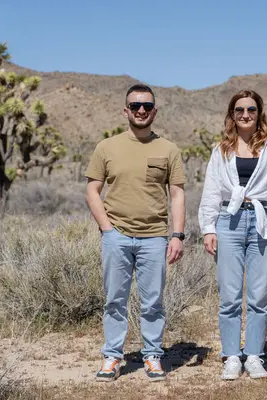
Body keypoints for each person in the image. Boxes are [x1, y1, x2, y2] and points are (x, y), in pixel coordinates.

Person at [85, 84, 186, 382]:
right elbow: (92, 189)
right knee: (114, 299)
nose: (141, 110)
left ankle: (152, 356)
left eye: (146, 105)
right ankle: (113, 357)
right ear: (125, 110)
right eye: (135, 105)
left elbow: (177, 194)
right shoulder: (107, 147)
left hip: (155, 237)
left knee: (153, 300)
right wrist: (107, 228)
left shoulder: (168, 149)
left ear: (154, 110)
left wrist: (177, 235)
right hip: (117, 236)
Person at [198, 89, 267, 380]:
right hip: (229, 220)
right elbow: (212, 190)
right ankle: (231, 356)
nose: (245, 115)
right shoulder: (221, 150)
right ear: (232, 114)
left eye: (251, 110)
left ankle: (253, 355)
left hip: (263, 220)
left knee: (259, 294)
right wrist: (208, 228)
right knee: (228, 294)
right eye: (239, 110)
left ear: (259, 114)